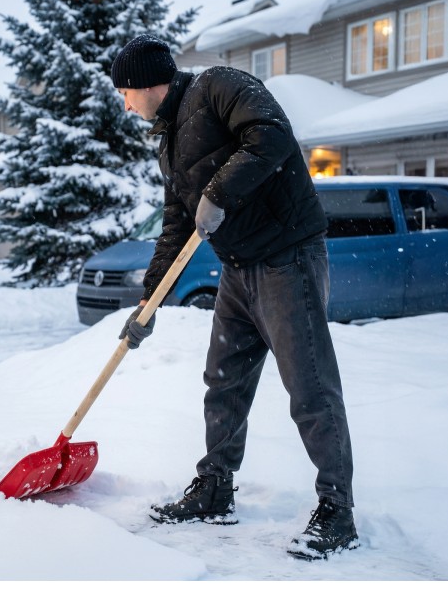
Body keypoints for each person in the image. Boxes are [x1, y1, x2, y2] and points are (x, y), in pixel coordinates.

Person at [111, 34, 358, 561]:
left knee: (310, 387)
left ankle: (338, 511)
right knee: (223, 383)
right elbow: (176, 224)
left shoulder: (220, 86)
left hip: (287, 256)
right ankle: (215, 488)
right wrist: (147, 303)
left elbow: (270, 134)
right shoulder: (170, 139)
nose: (124, 103)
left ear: (148, 83)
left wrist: (220, 192)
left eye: (126, 92)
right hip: (238, 269)